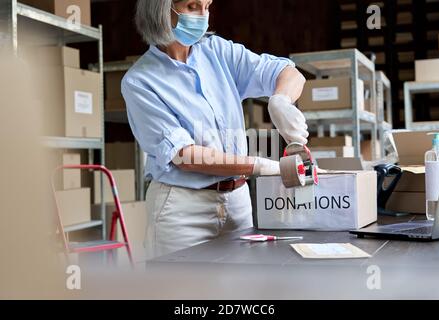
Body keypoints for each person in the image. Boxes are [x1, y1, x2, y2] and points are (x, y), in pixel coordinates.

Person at [122, 0, 309, 258]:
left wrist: (280, 100)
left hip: (238, 201)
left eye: (207, 5)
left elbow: (288, 72)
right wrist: (262, 166)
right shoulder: (140, 81)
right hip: (183, 208)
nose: (203, 16)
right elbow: (184, 156)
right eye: (192, 6)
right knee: (183, 291)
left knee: (239, 290)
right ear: (161, 9)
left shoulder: (218, 52)